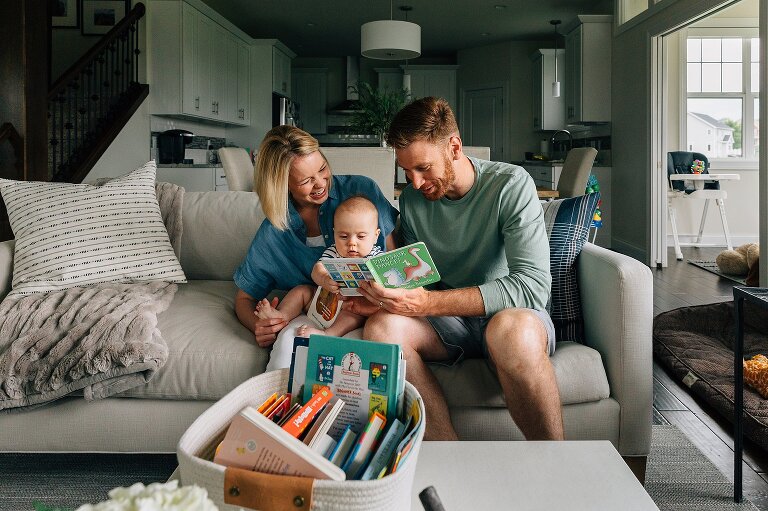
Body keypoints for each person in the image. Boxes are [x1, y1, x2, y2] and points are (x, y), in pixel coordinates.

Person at [349, 97, 563, 441]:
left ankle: (556, 464)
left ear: (454, 147)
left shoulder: (510, 185)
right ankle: (449, 454)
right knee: (382, 328)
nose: (415, 183)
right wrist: (381, 298)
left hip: (512, 316)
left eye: (422, 168)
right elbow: (419, 279)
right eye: (406, 172)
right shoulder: (414, 201)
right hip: (452, 324)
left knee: (510, 331)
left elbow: (532, 286)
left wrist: (428, 304)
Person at [233, 126, 398, 369]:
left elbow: (393, 256)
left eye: (322, 169)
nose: (320, 183)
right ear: (283, 184)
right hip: (316, 309)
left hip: (370, 304)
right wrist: (260, 326)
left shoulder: (361, 191)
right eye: (306, 181)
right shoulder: (275, 230)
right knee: (291, 347)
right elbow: (244, 298)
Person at [253, 195, 383, 345]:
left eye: (361, 236)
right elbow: (318, 268)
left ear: (375, 236)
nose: (351, 243)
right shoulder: (334, 252)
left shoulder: (377, 258)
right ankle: (279, 316)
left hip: (352, 307)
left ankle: (327, 334)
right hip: (323, 302)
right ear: (334, 234)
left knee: (352, 313)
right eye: (343, 236)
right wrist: (325, 279)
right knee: (301, 291)